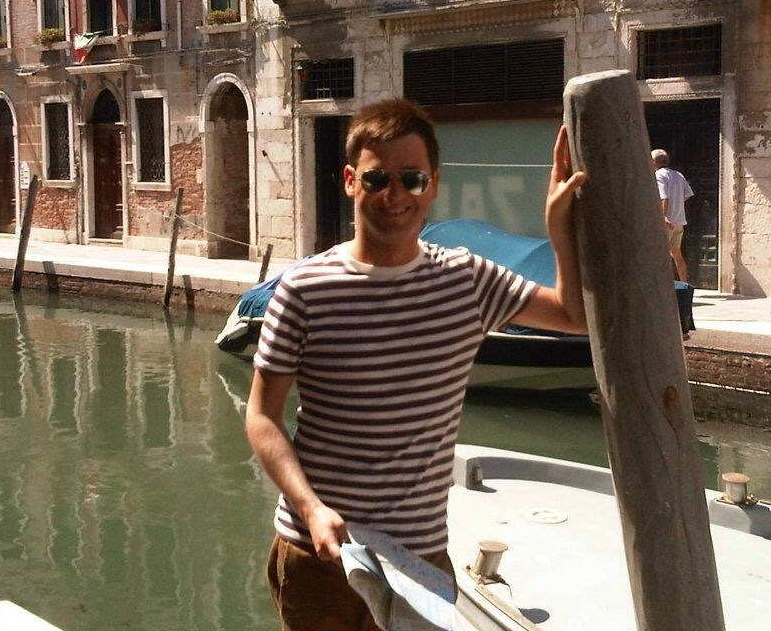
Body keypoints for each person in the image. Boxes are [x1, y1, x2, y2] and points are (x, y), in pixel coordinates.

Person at [245, 98, 587, 631]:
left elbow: (574, 315)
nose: (395, 194)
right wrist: (310, 508)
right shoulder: (304, 288)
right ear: (350, 181)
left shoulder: (467, 280)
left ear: (433, 184)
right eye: (378, 178)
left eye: (411, 179)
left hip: (420, 556)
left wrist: (558, 225)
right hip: (319, 552)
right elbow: (262, 416)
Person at [652, 148, 694, 283]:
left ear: (654, 162)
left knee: (659, 255)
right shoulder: (678, 175)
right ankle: (684, 284)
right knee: (677, 254)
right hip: (678, 221)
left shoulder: (659, 175)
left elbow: (664, 198)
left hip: (667, 222)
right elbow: (688, 193)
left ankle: (661, 286)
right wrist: (677, 203)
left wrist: (663, 217)